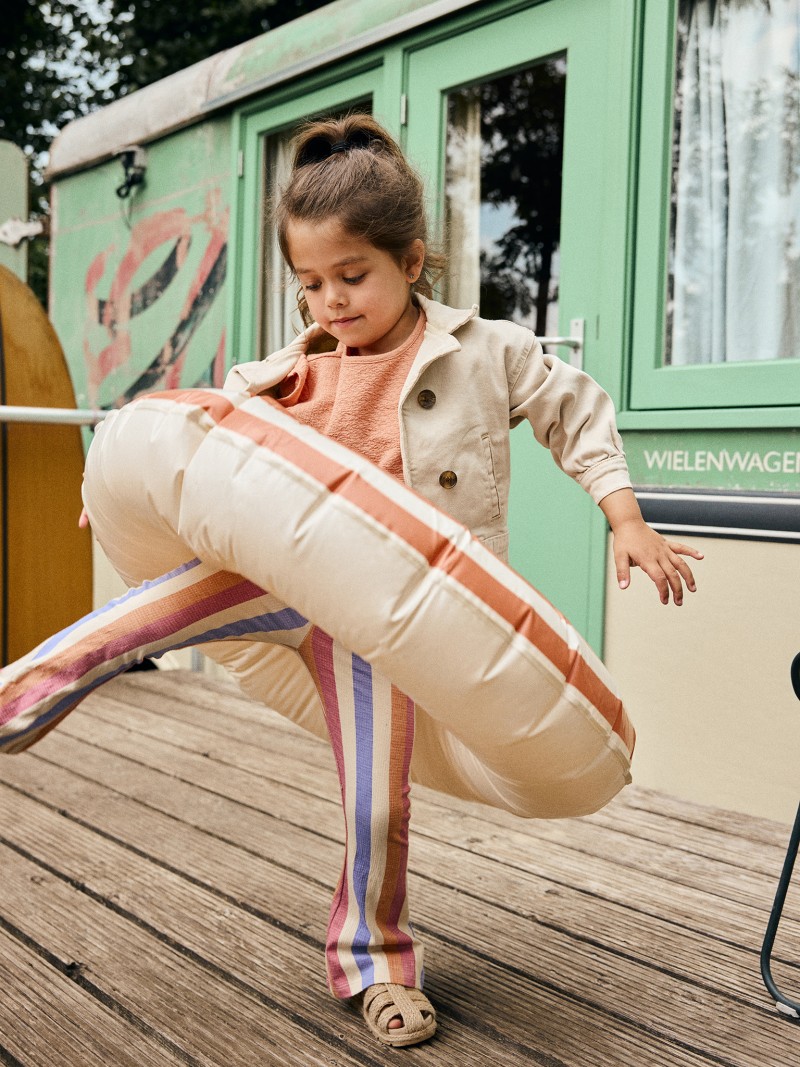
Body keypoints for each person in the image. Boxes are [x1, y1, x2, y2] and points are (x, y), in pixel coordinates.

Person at [214, 113, 703, 1047]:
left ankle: (376, 964)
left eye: (351, 277)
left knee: (376, 799)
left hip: (396, 618)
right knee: (137, 619)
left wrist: (625, 517)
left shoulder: (487, 350)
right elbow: (191, 448)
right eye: (310, 283)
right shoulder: (281, 376)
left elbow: (577, 410)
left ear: (411, 260)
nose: (330, 301)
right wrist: (115, 495)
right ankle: (31, 691)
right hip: (297, 582)